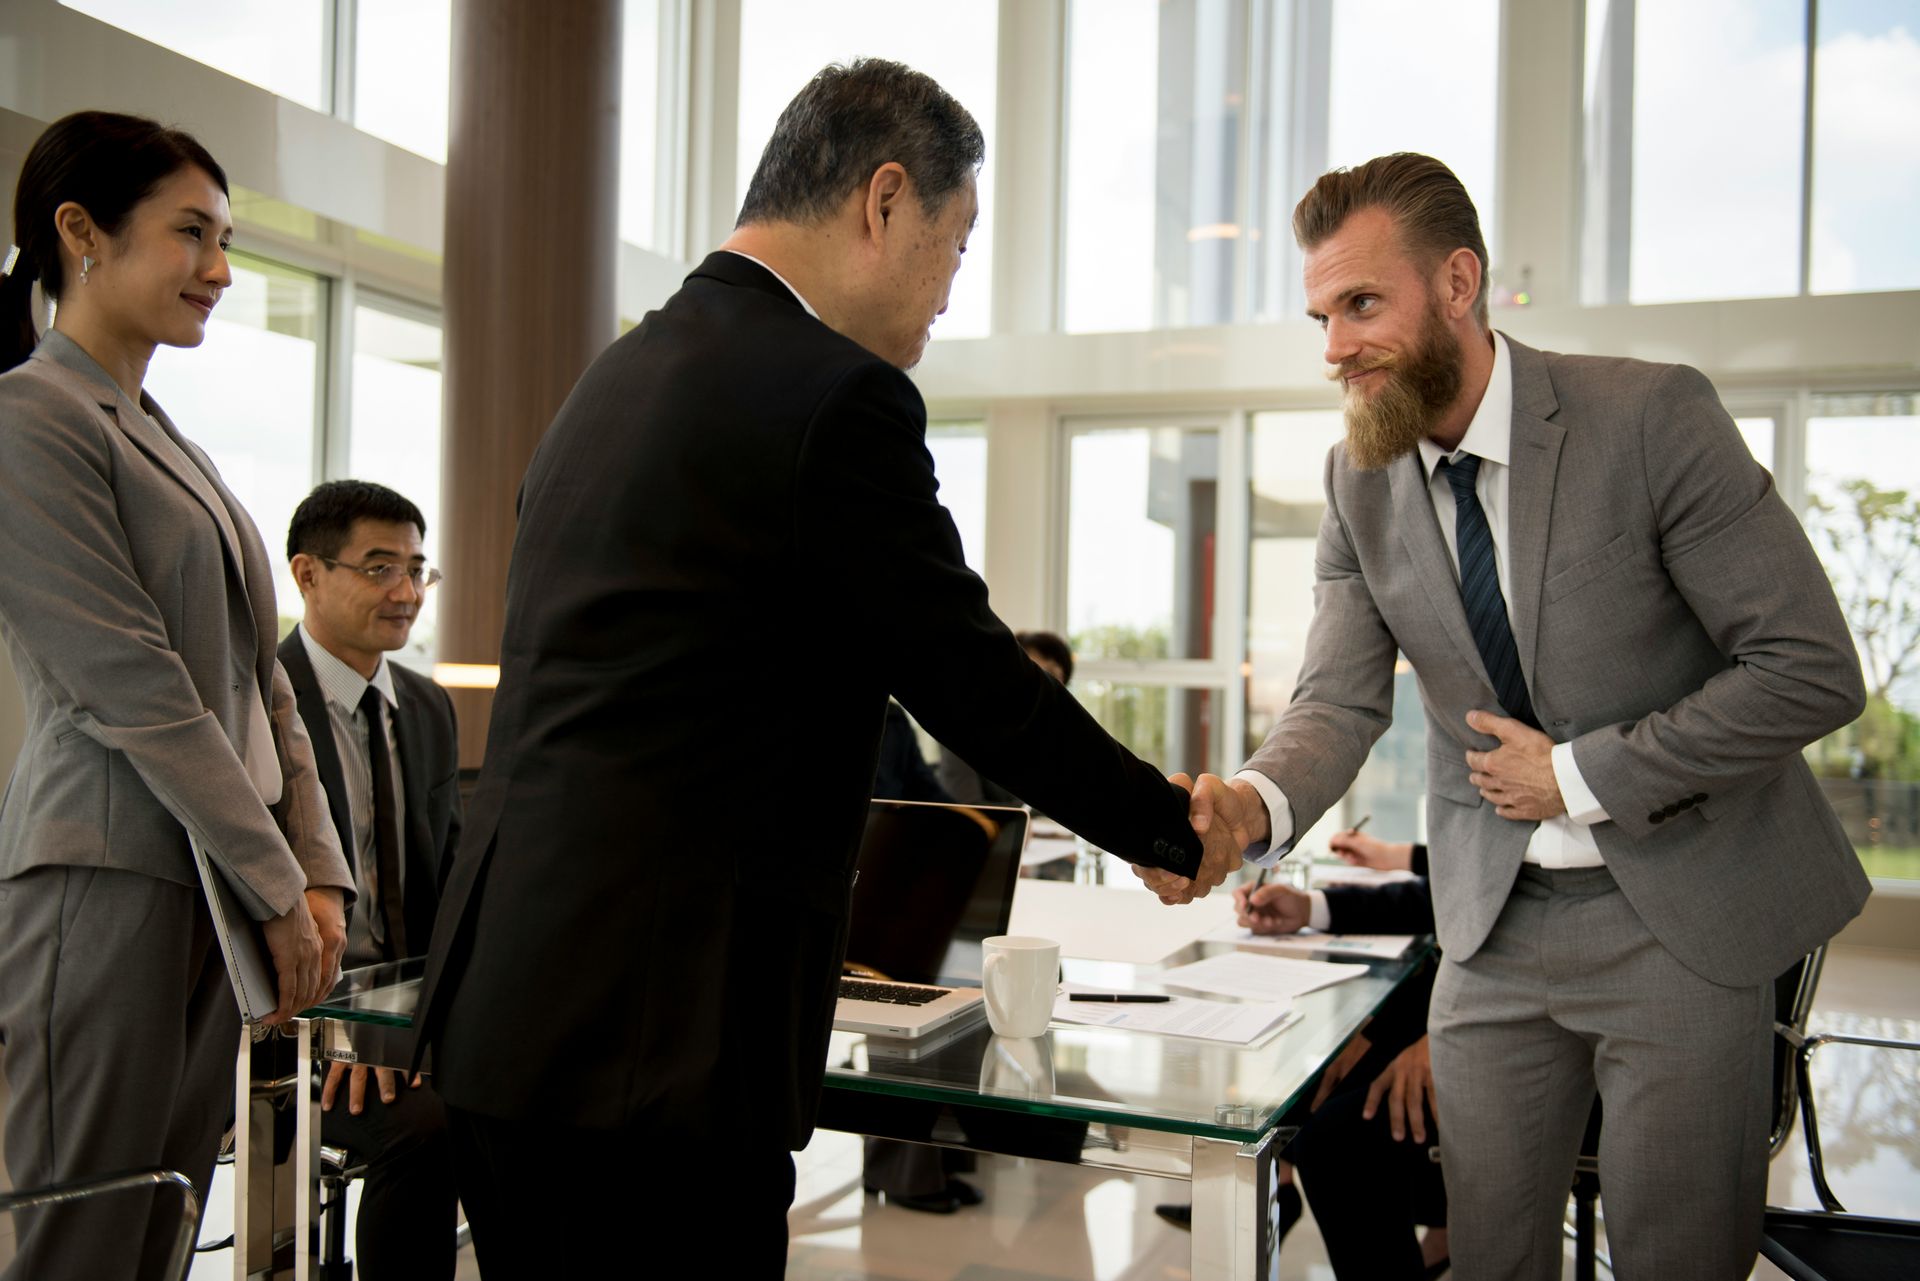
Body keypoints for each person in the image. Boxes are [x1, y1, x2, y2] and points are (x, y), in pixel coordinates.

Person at [414, 60, 1233, 1276]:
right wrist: (1171, 825)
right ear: (885, 201)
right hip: (659, 1039)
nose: (950, 291)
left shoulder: (620, 373)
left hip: (507, 1014)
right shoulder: (831, 399)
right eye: (955, 246)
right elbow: (969, 676)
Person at [1148, 152, 1870, 1278]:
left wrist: (1577, 776)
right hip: (1493, 928)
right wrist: (1247, 806)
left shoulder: (1648, 416)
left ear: (1459, 284)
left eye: (1361, 304)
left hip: (1681, 913)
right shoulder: (1358, 479)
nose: (1334, 345)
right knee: (1488, 1256)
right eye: (1321, 315)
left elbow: (1810, 668)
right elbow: (1336, 699)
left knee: (1675, 1257)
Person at [0, 111, 350, 1281]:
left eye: (227, 238)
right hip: (105, 883)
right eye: (192, 234)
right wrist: (277, 881)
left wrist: (317, 870)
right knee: (84, 1231)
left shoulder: (172, 441)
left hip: (216, 889)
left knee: (158, 1230)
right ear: (80, 234)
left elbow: (267, 680)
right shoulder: (27, 420)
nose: (221, 268)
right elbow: (131, 684)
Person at [281, 480, 462, 1280]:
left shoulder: (424, 706)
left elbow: (447, 880)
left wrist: (422, 1022)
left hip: (406, 1010)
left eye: (419, 568)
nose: (407, 592)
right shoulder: (259, 696)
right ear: (308, 575)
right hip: (293, 1016)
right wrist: (350, 1025)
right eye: (381, 566)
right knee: (432, 1127)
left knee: (536, 1094)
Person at [936, 630, 1074, 805]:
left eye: (1053, 680)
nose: (1041, 689)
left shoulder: (1052, 739)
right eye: (1035, 672)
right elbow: (966, 808)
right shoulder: (964, 727)